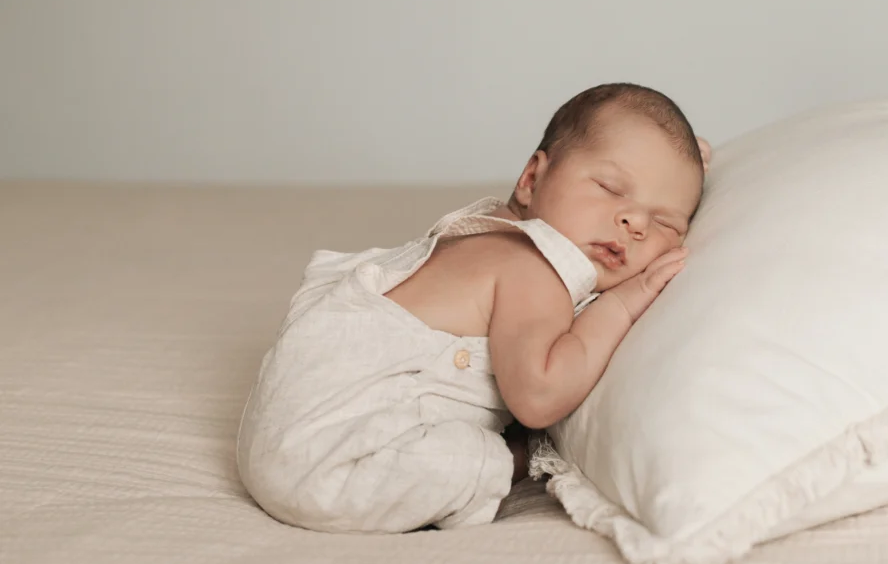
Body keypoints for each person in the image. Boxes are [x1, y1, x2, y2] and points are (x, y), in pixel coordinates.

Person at [236, 82, 711, 535]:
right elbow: (539, 395)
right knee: (485, 454)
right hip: (333, 470)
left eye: (665, 221)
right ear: (531, 179)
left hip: (282, 433)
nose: (635, 221)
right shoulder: (534, 268)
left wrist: (676, 171)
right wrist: (623, 304)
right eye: (609, 187)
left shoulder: (491, 233)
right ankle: (518, 457)